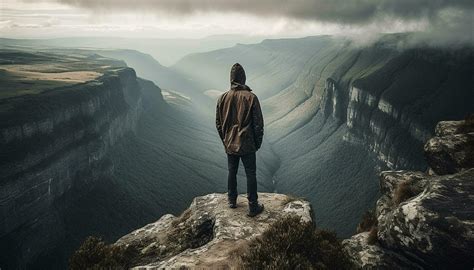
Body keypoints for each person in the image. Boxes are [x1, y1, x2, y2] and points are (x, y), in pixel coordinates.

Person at [215, 63, 265, 217]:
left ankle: (231, 200)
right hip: (247, 143)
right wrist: (257, 143)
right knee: (251, 174)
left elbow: (218, 123)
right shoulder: (251, 97)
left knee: (232, 171)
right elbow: (258, 125)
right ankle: (253, 206)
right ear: (243, 78)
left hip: (230, 143)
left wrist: (225, 140)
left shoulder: (222, 98)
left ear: (231, 79)